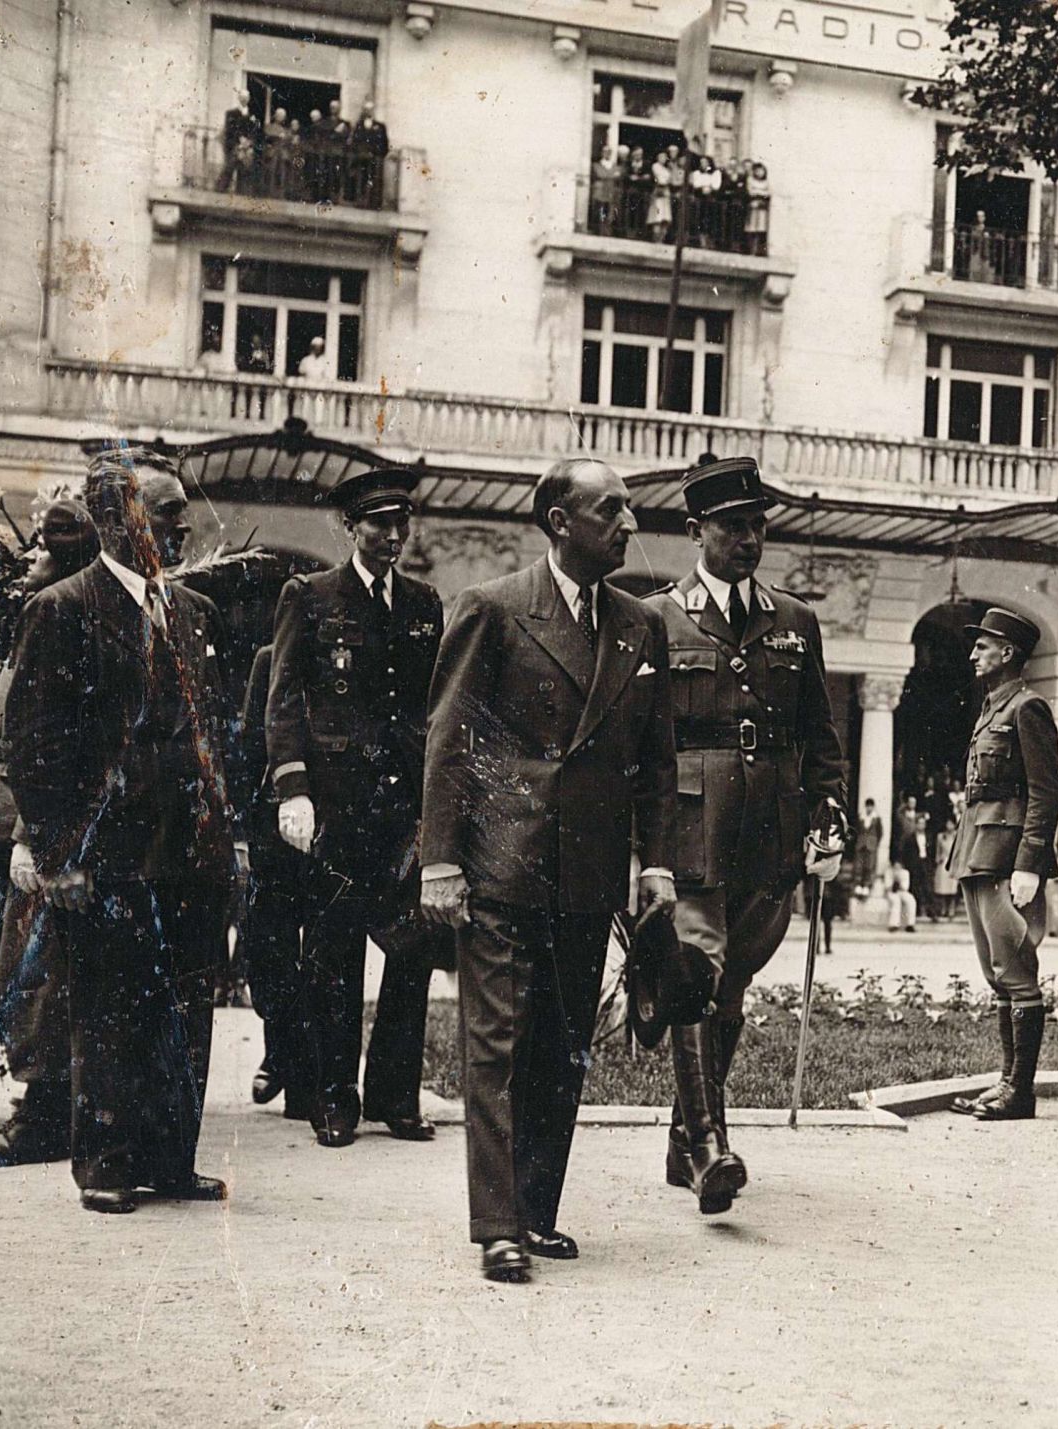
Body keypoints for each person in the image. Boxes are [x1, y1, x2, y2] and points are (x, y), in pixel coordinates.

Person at [420, 456, 676, 1282]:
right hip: (501, 866)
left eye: (630, 509)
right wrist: (437, 863)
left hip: (588, 875)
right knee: (495, 1043)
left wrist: (658, 864)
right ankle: (497, 1223)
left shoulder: (642, 624)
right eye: (612, 510)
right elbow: (448, 740)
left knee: (563, 1047)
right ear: (560, 522)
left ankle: (536, 1210)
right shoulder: (493, 609)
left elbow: (658, 761)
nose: (630, 524)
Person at [4, 447, 239, 1215]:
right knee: (108, 1006)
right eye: (162, 511)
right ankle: (103, 1162)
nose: (180, 523)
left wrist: (228, 840)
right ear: (113, 520)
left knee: (185, 1008)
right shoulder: (63, 608)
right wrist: (57, 855)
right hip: (107, 855)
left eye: (177, 511)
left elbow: (214, 736)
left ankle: (172, 1160)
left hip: (190, 855)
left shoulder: (195, 614)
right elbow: (38, 747)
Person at [646, 456, 845, 1210]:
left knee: (731, 985)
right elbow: (646, 741)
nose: (749, 538)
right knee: (697, 967)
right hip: (694, 825)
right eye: (734, 525)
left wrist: (829, 813)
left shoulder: (795, 620)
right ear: (697, 531)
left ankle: (681, 1136)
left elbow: (820, 734)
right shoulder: (659, 616)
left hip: (771, 830)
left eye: (759, 524)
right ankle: (707, 1148)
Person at [266, 468, 443, 1148]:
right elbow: (283, 699)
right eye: (378, 524)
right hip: (337, 807)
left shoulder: (425, 604)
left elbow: (436, 705)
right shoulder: (309, 596)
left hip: (405, 809)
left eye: (402, 523)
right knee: (334, 953)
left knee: (414, 948)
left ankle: (395, 1095)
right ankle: (333, 1097)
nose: (392, 535)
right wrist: (293, 788)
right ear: (351, 527)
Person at [0, 502, 99, 1169]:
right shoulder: (46, 615)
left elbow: (39, 735)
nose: (33, 563)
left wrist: (25, 834)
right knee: (19, 958)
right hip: (17, 811)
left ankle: (42, 1112)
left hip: (39, 819)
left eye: (45, 552)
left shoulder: (57, 616)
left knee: (36, 963)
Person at [944, 609, 1058, 1121]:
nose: (974, 654)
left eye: (984, 646)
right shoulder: (993, 707)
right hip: (977, 853)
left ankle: (1020, 1091)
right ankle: (1006, 1083)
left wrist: (1030, 863)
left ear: (1009, 653)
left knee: (1016, 972)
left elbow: (1047, 790)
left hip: (1006, 858)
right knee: (998, 973)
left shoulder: (1028, 708)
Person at [232, 642, 312, 1123]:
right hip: (273, 829)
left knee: (320, 954)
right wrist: (241, 833)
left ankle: (303, 1071)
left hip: (335, 823)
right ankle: (279, 1051)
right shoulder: (270, 659)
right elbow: (248, 744)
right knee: (271, 949)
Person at [351, 101, 389, 209]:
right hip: (362, 157)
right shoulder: (359, 125)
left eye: (370, 109)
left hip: (375, 158)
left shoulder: (380, 126)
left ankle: (374, 204)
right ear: (364, 110)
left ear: (373, 110)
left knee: (375, 180)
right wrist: (359, 153)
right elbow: (355, 141)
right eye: (366, 109)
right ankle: (360, 202)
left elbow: (384, 143)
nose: (368, 111)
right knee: (361, 179)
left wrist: (378, 155)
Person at [854, 797, 885, 894]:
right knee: (859, 865)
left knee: (869, 865)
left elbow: (880, 833)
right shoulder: (861, 817)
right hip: (861, 844)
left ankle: (867, 885)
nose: (869, 809)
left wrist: (875, 842)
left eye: (871, 806)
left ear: (873, 807)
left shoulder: (876, 819)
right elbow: (856, 830)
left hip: (871, 845)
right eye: (867, 806)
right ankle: (858, 884)